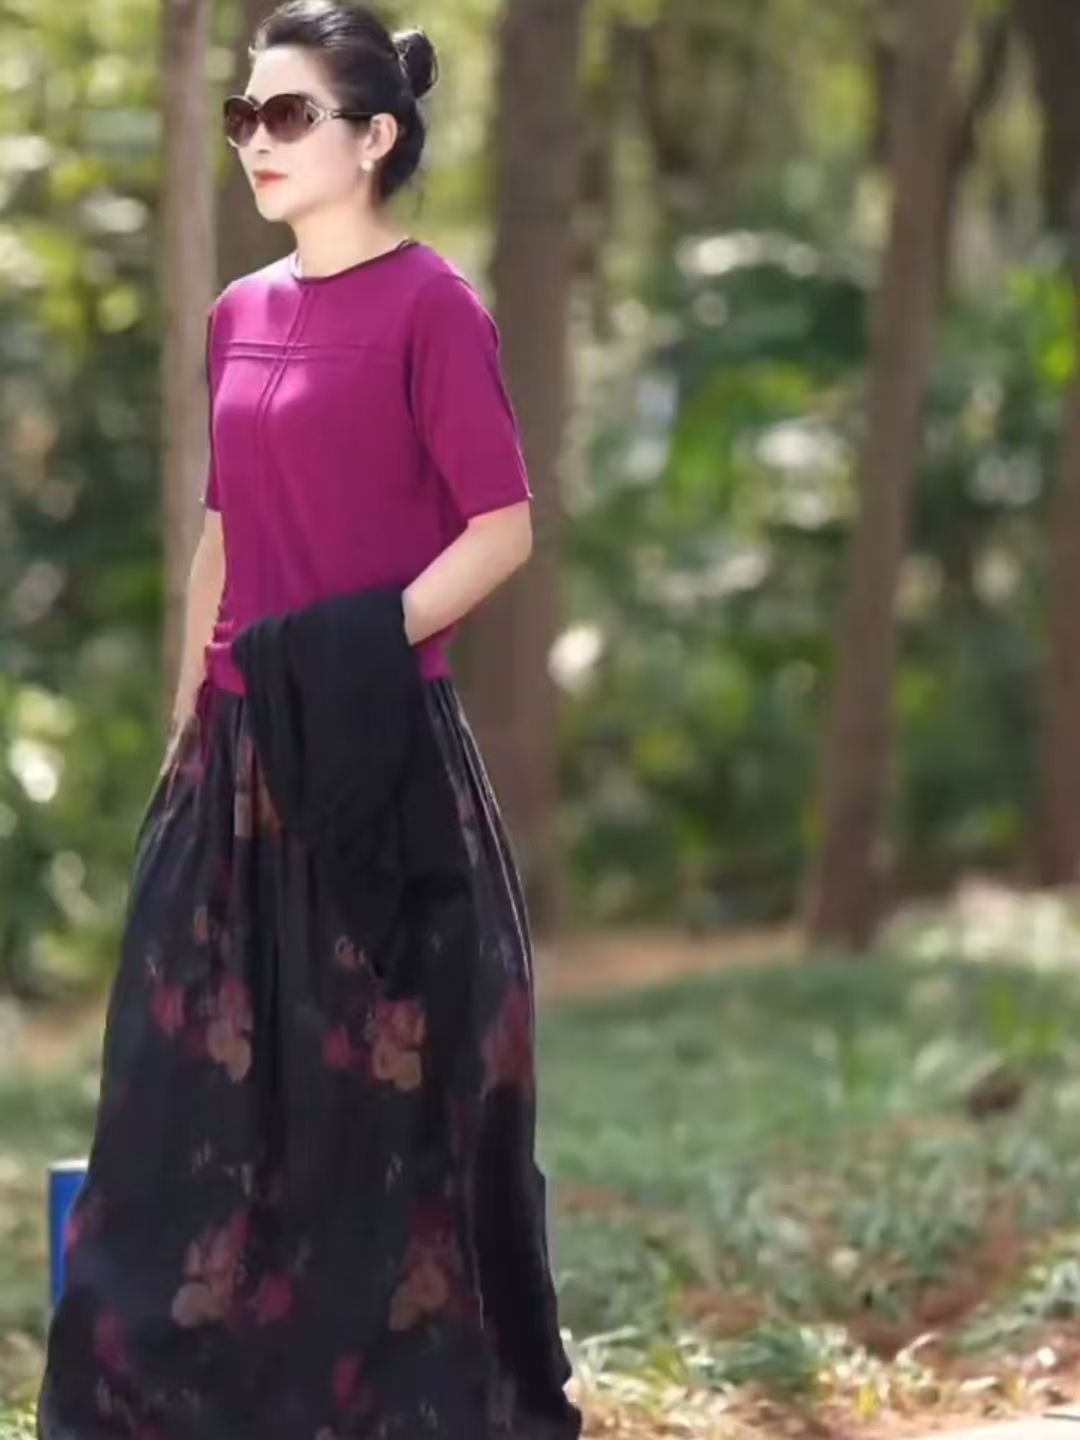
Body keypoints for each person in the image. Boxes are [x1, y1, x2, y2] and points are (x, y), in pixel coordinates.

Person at [34, 3, 583, 1437]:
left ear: (375, 136)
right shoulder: (238, 313)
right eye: (244, 115)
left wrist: (349, 648)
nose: (256, 141)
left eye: (288, 115)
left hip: (376, 762)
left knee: (379, 1113)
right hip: (231, 764)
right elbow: (223, 532)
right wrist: (190, 719)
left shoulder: (434, 308)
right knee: (183, 1107)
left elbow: (503, 526)